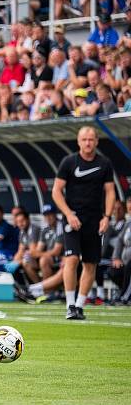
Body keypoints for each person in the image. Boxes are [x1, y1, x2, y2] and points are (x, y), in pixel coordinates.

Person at [52, 126, 116, 320]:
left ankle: (80, 306)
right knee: (71, 259)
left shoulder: (104, 163)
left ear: (97, 141)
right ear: (78, 141)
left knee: (90, 264)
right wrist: (69, 214)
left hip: (94, 219)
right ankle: (70, 305)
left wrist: (107, 217)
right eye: (84, 139)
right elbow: (56, 191)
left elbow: (110, 192)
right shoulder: (69, 162)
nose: (88, 143)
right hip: (73, 218)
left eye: (91, 139)